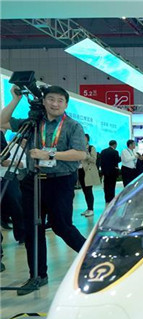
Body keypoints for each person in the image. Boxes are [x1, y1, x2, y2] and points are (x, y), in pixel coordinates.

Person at [1, 85, 87, 295]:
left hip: (60, 182)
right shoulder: (32, 123)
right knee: (32, 229)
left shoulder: (72, 126)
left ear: (66, 104)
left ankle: (93, 258)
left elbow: (80, 154)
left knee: (62, 226)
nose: (55, 104)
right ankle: (37, 275)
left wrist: (49, 155)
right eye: (51, 99)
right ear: (44, 101)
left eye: (60, 100)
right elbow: (2, 122)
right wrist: (15, 100)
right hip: (32, 181)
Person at [0, 129, 25, 245]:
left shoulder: (13, 145)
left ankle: (22, 234)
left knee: (15, 203)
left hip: (8, 176)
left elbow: (25, 162)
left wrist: (12, 162)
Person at [78, 134, 101, 216]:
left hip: (88, 171)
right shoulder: (78, 148)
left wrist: (86, 155)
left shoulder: (91, 148)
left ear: (88, 140)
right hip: (80, 170)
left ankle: (91, 209)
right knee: (84, 191)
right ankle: (88, 208)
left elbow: (94, 160)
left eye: (84, 138)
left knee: (88, 191)